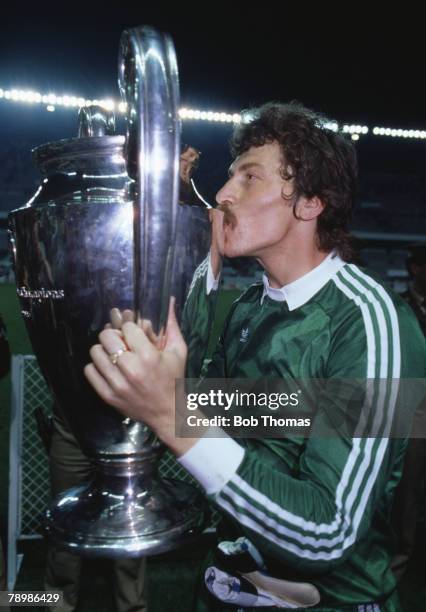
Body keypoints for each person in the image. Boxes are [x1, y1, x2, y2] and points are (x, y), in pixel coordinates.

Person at [84, 102, 425, 611]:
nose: (223, 194)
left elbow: (328, 532)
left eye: (249, 178)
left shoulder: (371, 321)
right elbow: (200, 400)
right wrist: (209, 263)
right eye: (230, 177)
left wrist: (172, 417)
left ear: (309, 202)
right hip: (231, 585)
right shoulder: (251, 307)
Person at [391, 244, 426, 582]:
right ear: (415, 269)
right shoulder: (396, 307)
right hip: (414, 415)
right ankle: (398, 564)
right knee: (406, 494)